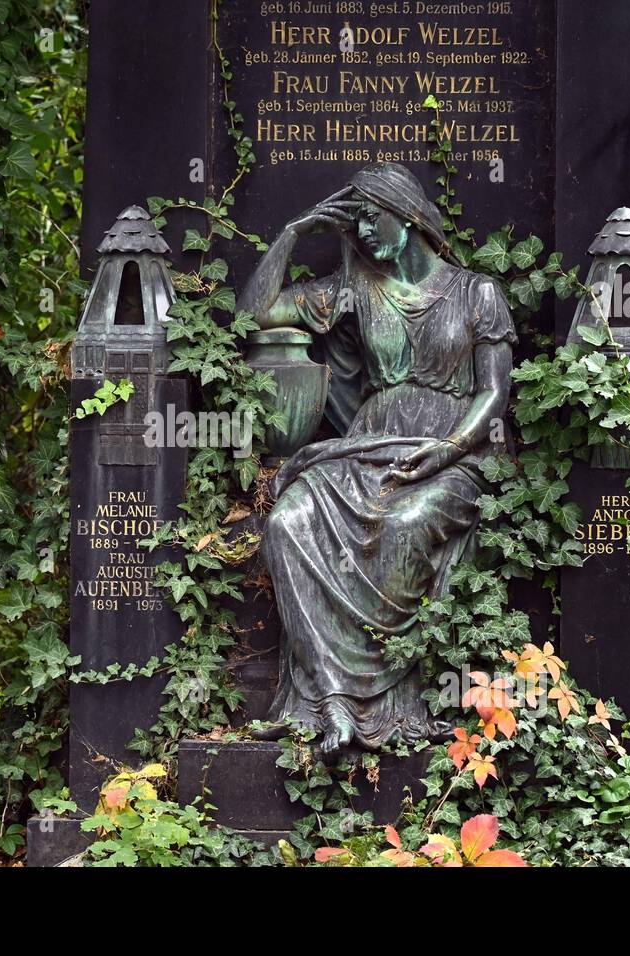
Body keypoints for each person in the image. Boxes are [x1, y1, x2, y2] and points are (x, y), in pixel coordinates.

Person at [237, 162, 516, 757]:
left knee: (405, 525)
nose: (362, 231)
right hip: (366, 448)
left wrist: (446, 450)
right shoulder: (354, 289)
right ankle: (334, 700)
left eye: (371, 217)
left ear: (409, 216)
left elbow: (494, 393)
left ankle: (387, 697)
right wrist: (293, 232)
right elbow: (254, 314)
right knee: (286, 524)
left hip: (455, 451)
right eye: (355, 218)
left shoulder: (476, 292)